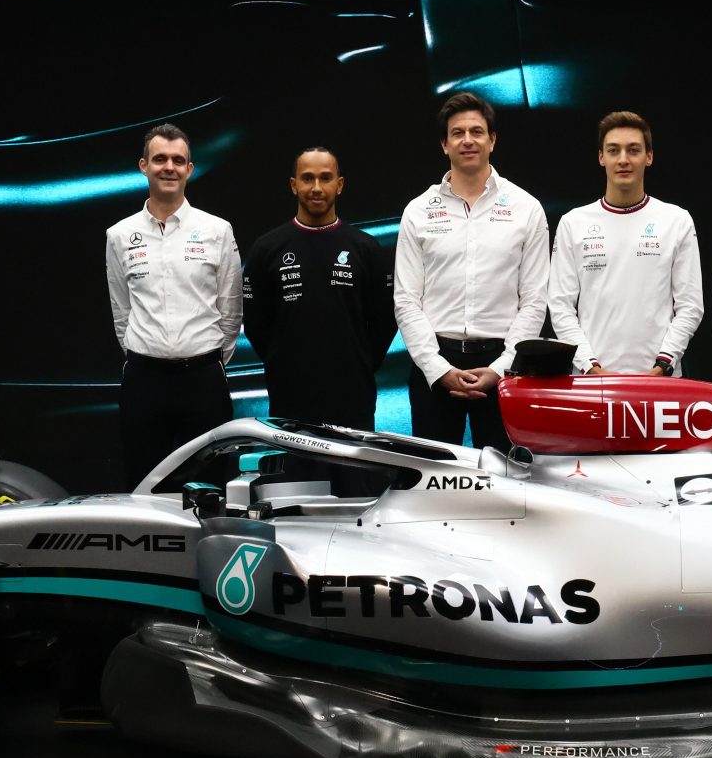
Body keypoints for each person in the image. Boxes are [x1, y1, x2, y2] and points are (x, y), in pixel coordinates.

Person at [389, 90, 550, 449]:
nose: (468, 140)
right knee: (432, 478)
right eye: (457, 133)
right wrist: (438, 369)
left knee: (506, 478)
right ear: (444, 144)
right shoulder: (418, 211)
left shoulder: (526, 208)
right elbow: (406, 300)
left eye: (477, 132)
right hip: (435, 364)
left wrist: (501, 368)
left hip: (505, 366)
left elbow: (534, 300)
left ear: (492, 140)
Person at [104, 123, 241, 485]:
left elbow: (231, 311)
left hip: (203, 380)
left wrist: (206, 360)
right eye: (160, 159)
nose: (169, 167)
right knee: (144, 485)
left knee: (211, 488)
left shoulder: (217, 230)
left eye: (178, 160)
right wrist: (149, 355)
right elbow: (121, 311)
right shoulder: (119, 235)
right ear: (143, 166)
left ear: (190, 169)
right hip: (144, 381)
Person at [241, 146, 394, 431]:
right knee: (296, 463)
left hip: (353, 395)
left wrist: (358, 362)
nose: (316, 187)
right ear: (293, 185)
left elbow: (385, 320)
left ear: (340, 185)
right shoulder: (267, 248)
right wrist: (283, 361)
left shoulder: (365, 248)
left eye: (325, 178)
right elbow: (255, 324)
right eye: (307, 178)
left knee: (352, 463)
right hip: (290, 396)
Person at [548, 110, 703, 376]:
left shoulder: (677, 221)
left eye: (633, 150)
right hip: (592, 380)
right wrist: (590, 366)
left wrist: (663, 365)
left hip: (659, 380)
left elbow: (690, 306)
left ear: (649, 156)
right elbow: (560, 306)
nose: (623, 159)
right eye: (613, 150)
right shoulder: (573, 223)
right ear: (601, 157)